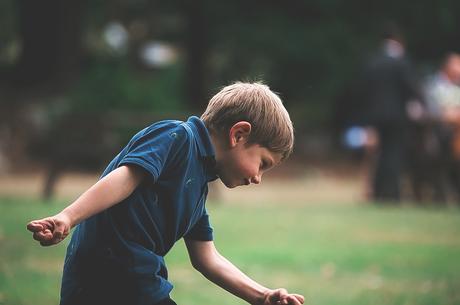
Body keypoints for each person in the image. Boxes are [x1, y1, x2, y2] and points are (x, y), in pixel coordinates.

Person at [26, 82, 305, 305]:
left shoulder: (197, 187)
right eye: (263, 164)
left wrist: (261, 295)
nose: (258, 178)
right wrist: (68, 216)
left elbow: (207, 257)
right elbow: (124, 177)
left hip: (134, 283)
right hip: (113, 280)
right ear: (239, 135)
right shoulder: (177, 138)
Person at [358, 23, 423, 202]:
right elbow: (411, 88)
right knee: (394, 153)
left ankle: (378, 192)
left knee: (379, 154)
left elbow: (364, 92)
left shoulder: (373, 61)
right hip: (396, 116)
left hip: (375, 117)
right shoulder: (401, 62)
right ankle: (392, 194)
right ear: (398, 42)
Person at [422, 52, 460, 203]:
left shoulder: (458, 87)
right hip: (438, 130)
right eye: (456, 65)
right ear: (447, 67)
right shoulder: (432, 85)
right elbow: (428, 108)